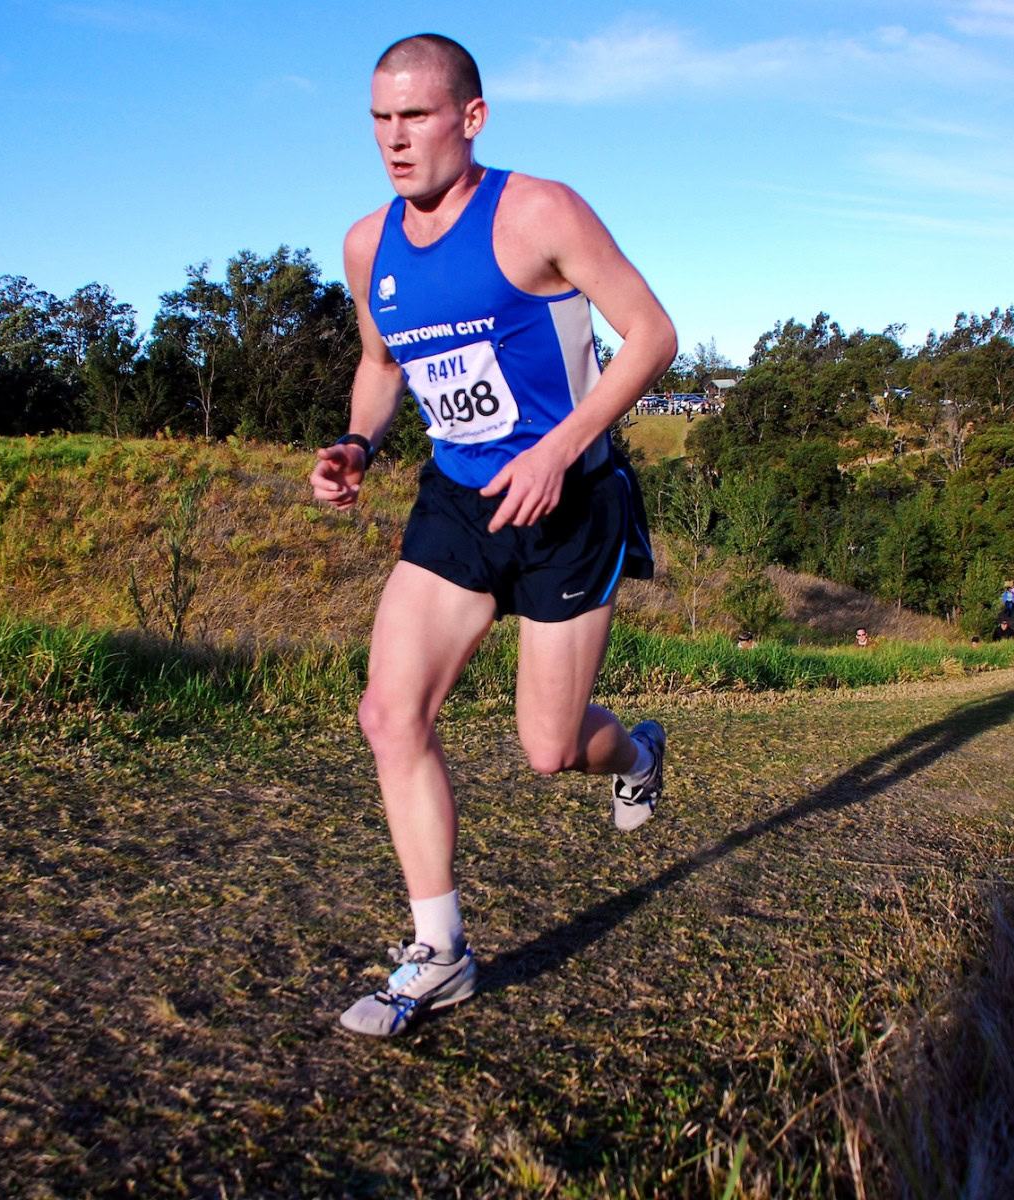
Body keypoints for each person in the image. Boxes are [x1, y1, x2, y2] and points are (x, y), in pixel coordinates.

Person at [310, 34, 678, 1038]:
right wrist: (355, 443)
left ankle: (636, 750)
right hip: (459, 503)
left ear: (469, 118)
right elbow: (383, 366)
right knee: (390, 715)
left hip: (571, 503)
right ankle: (440, 951)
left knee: (549, 750)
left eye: (415, 117)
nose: (393, 140)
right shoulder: (365, 244)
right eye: (379, 120)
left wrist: (561, 447)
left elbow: (651, 335)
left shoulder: (537, 212)